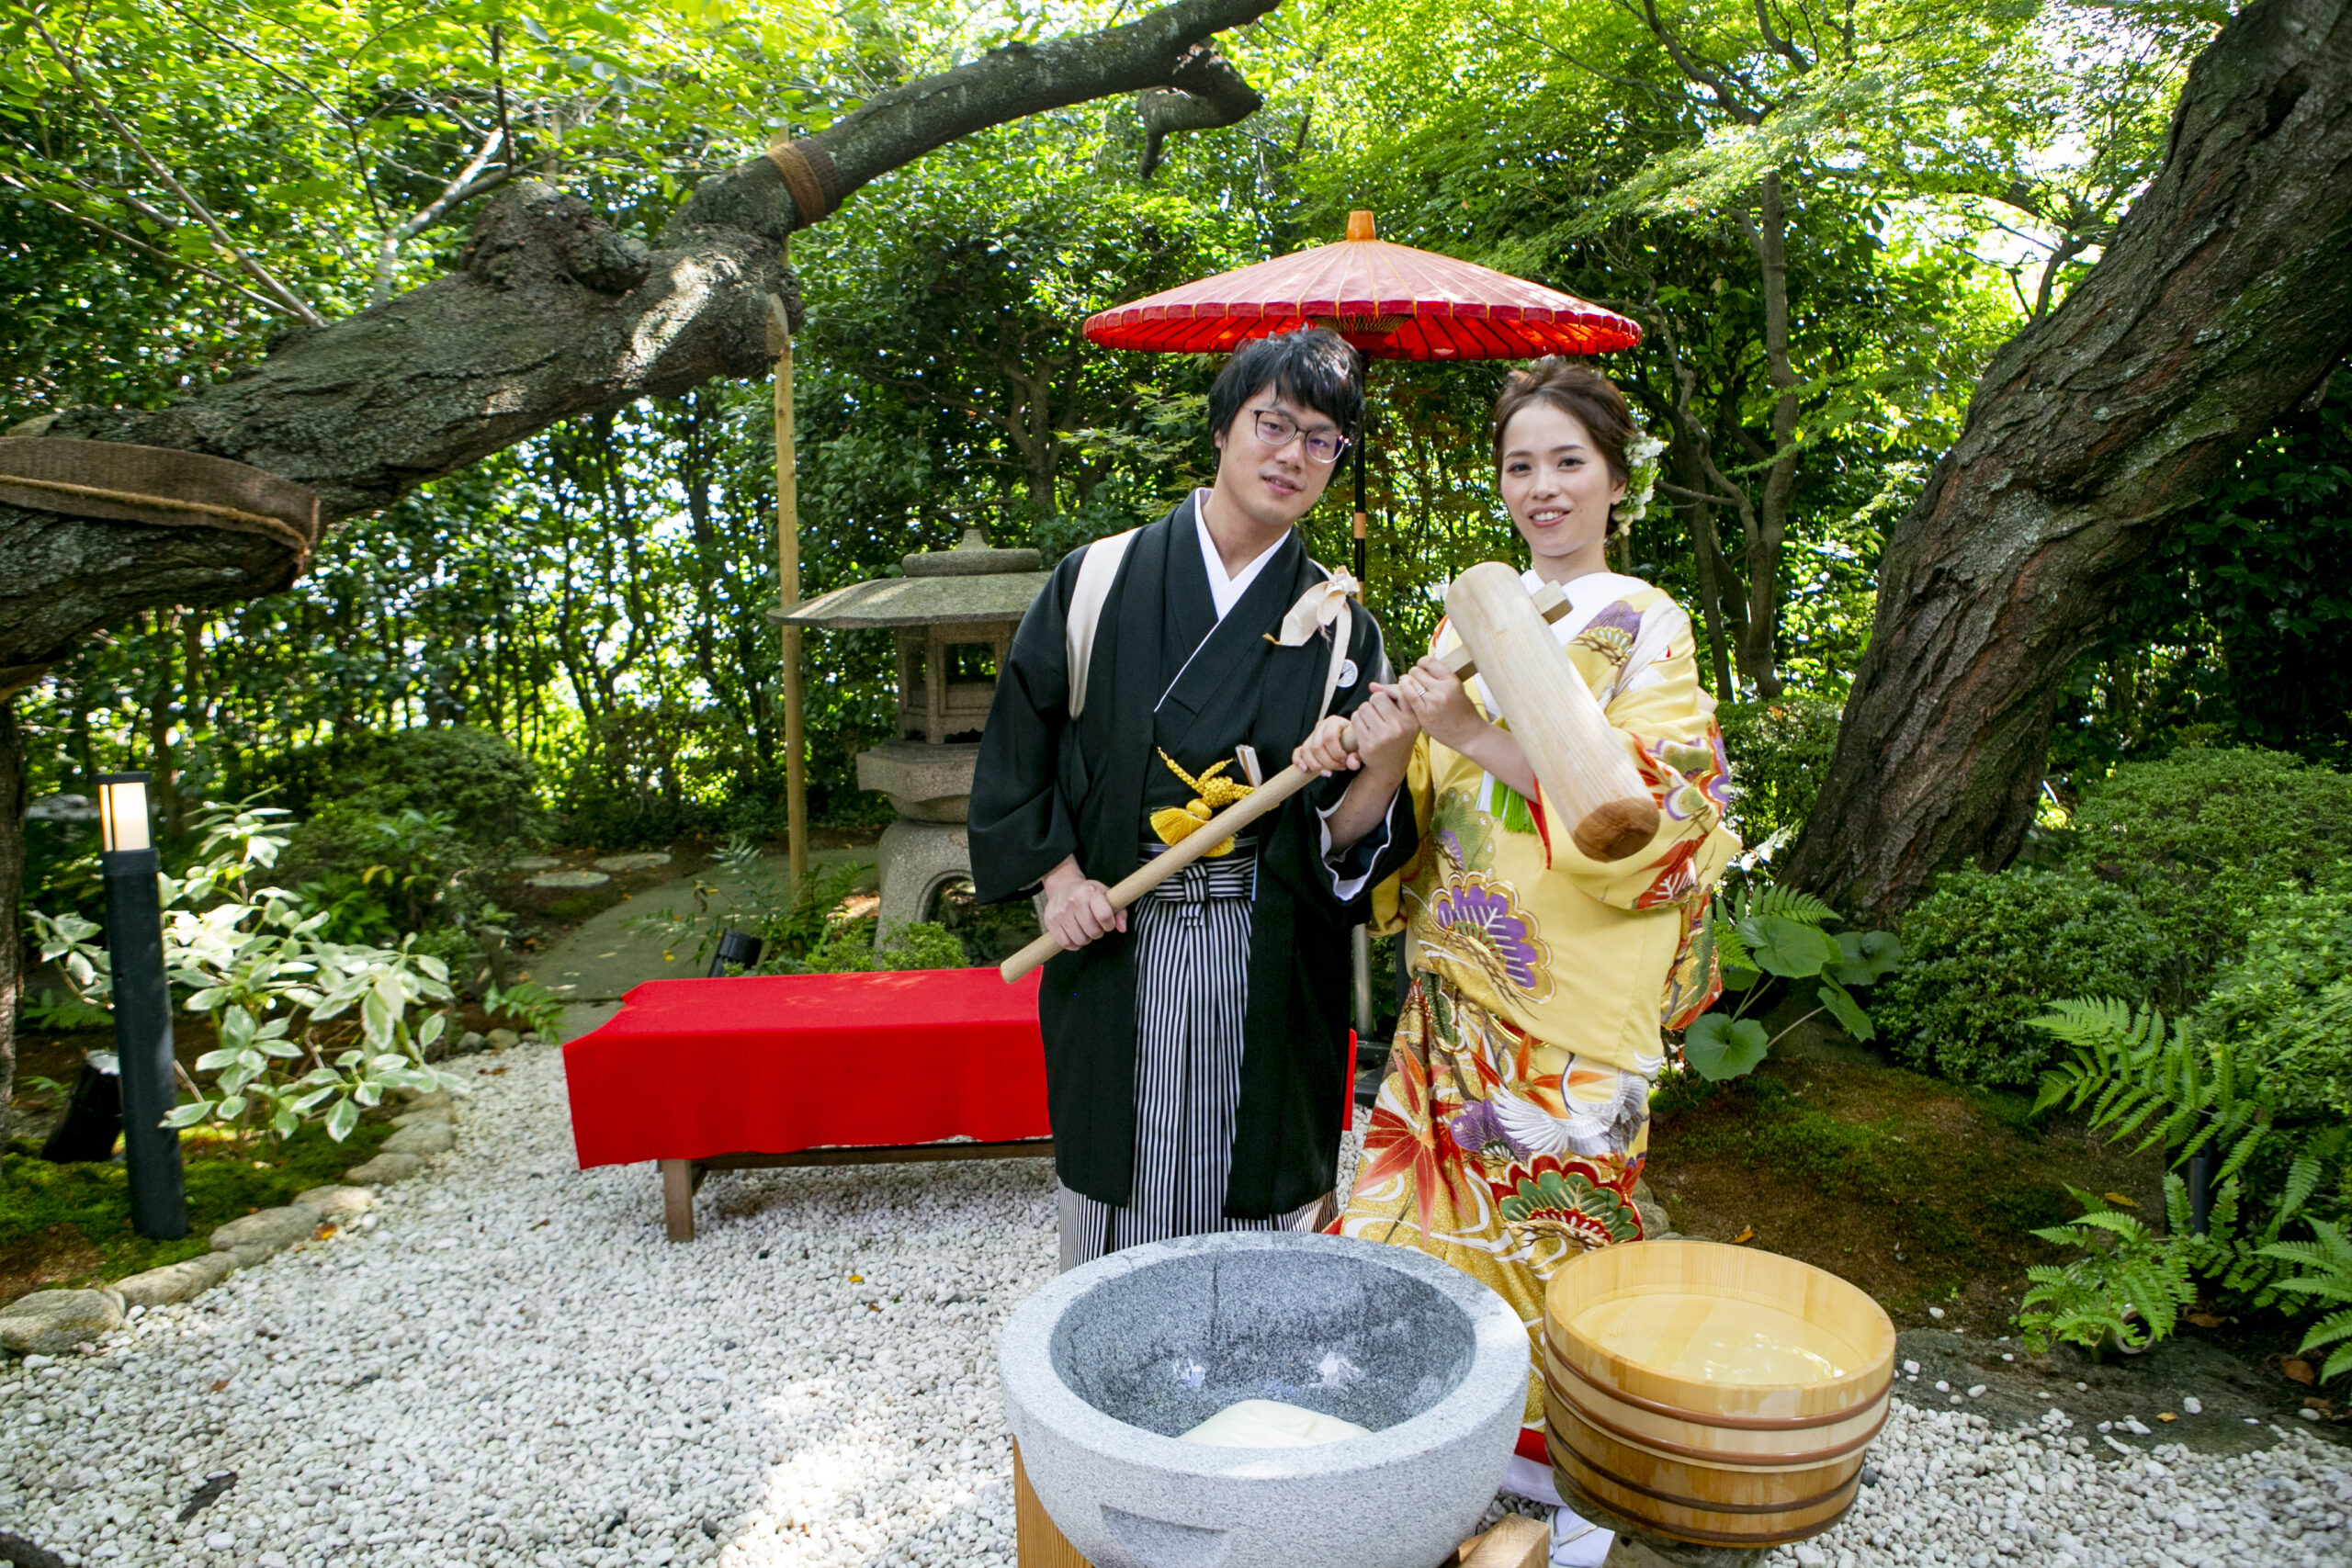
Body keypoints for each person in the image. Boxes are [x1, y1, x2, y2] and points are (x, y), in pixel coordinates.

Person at [1299, 357, 1740, 1476]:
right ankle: (1439, 1470)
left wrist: (1470, 732)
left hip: (1571, 1005)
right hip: (1453, 994)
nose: (1542, 488)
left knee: (1557, 1253)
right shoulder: (1461, 631)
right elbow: (1398, 820)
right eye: (1519, 466)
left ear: (1616, 480)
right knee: (1414, 1241)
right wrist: (1377, 743)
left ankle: (1571, 1487)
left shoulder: (1645, 622)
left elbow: (1652, 814)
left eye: (1567, 463)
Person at [969, 327, 1419, 1271]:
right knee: (1117, 1189)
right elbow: (1020, 746)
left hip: (1268, 953)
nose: (1293, 455)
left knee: (1263, 1198)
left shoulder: (1341, 632)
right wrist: (1059, 882)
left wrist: (1385, 760)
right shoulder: (1096, 581)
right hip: (1112, 932)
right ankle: (1110, 1356)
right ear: (1222, 428)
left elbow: (1342, 840)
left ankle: (1259, 1361)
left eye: (1323, 440)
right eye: (1273, 424)